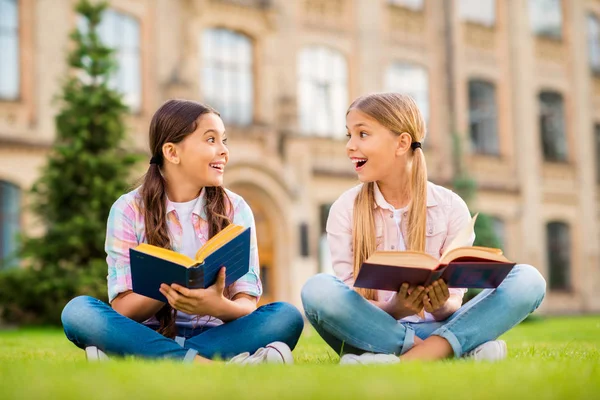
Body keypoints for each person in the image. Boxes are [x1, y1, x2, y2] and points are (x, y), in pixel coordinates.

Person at [301, 93, 546, 364]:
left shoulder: (451, 206)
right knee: (317, 289)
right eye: (349, 135)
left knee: (528, 280)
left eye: (363, 134)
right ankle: (450, 353)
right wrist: (394, 308)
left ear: (402, 143)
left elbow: (454, 303)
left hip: (438, 327)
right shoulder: (344, 209)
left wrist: (440, 304)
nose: (350, 146)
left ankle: (403, 357)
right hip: (372, 331)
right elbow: (348, 301)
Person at [61, 99, 304, 364]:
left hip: (219, 333)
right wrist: (168, 289)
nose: (223, 151)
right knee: (78, 312)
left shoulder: (237, 209)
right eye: (211, 140)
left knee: (286, 316)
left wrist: (216, 306)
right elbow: (123, 308)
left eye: (224, 140)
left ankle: (142, 355)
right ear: (172, 152)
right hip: (149, 330)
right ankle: (205, 363)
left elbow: (247, 303)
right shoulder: (129, 210)